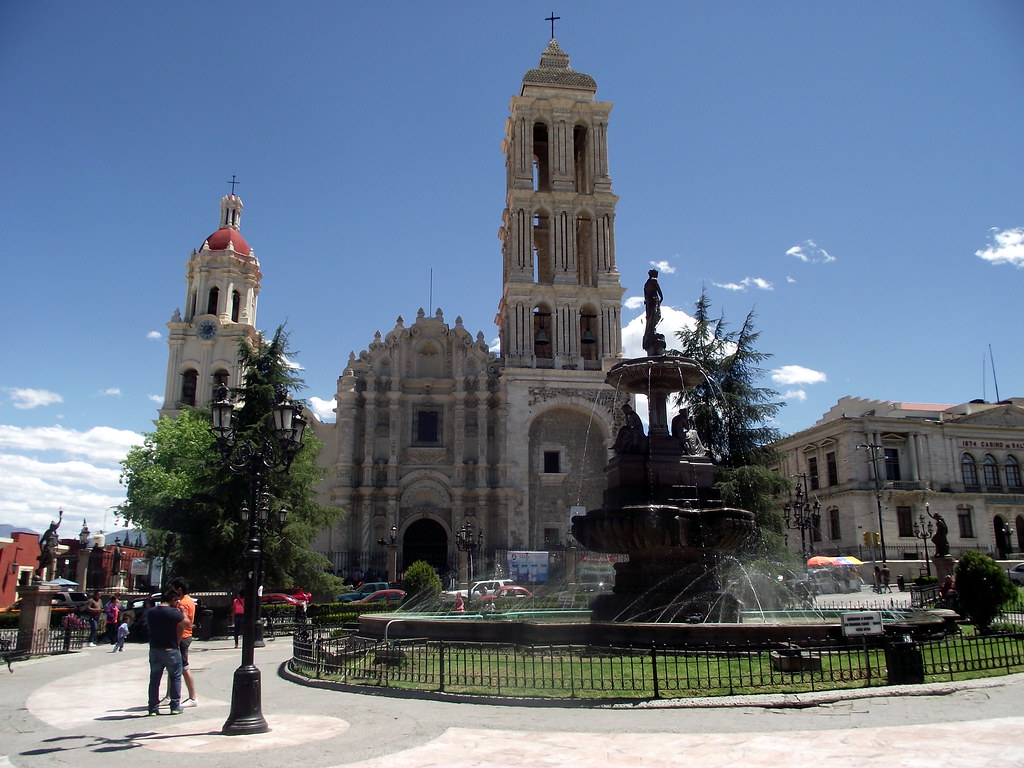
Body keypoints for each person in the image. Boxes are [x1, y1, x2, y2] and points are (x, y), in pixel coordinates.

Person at [147, 588, 188, 716]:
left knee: (154, 679)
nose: (178, 604)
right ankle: (175, 706)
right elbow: (187, 624)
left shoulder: (151, 612)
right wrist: (183, 612)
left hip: (154, 648)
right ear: (172, 599)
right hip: (170, 648)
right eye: (177, 601)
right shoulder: (173, 612)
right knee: (175, 677)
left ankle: (153, 708)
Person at [169, 577, 197, 708]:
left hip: (182, 637)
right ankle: (168, 695)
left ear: (179, 589)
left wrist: (177, 641)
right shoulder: (189, 600)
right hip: (186, 636)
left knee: (184, 667)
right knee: (174, 667)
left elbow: (182, 624)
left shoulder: (182, 604)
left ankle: (193, 697)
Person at [642, 269, 664, 354]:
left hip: (648, 301)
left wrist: (646, 300)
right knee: (656, 315)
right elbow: (658, 289)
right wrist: (662, 297)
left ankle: (650, 331)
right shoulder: (654, 280)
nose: (657, 275)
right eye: (656, 273)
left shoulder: (646, 284)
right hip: (654, 300)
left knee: (649, 317)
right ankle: (652, 330)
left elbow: (645, 294)